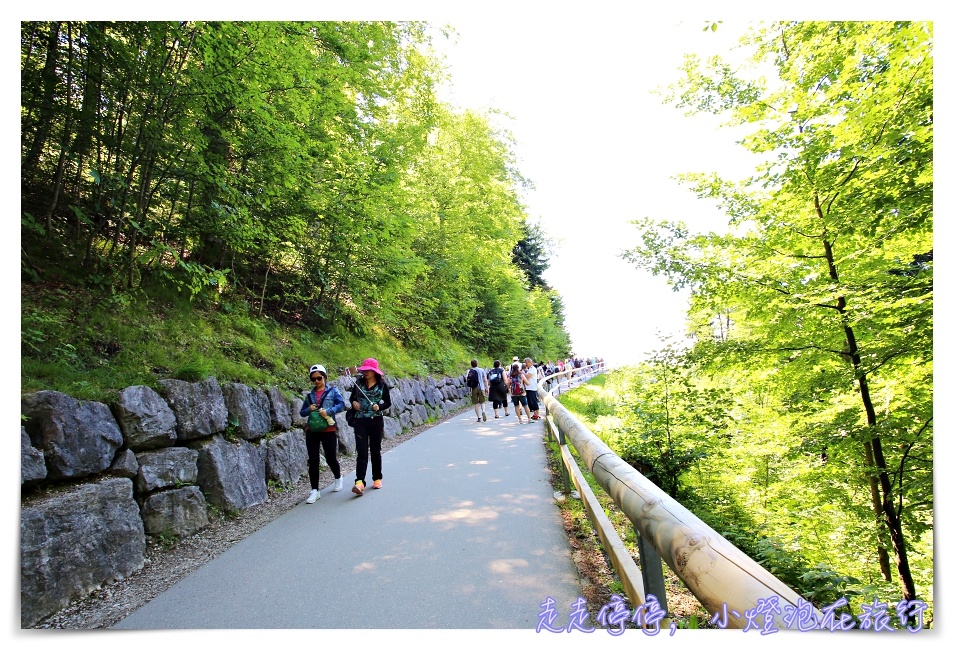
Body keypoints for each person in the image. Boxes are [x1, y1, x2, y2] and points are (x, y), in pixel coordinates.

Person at [300, 364, 347, 503]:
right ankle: (315, 490)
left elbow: (341, 405)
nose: (316, 381)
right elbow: (302, 412)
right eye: (313, 379)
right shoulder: (309, 396)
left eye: (319, 378)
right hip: (312, 430)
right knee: (313, 460)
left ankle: (338, 477)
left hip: (328, 429)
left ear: (325, 377)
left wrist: (329, 411)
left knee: (331, 457)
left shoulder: (333, 391)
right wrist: (309, 408)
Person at [348, 358, 392, 496]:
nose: (365, 372)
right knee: (361, 452)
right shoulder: (359, 383)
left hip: (376, 421)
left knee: (375, 450)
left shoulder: (382, 385)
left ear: (374, 372)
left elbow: (388, 402)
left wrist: (379, 406)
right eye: (364, 370)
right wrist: (354, 403)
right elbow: (352, 398)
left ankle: (377, 478)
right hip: (360, 420)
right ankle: (359, 482)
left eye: (369, 370)